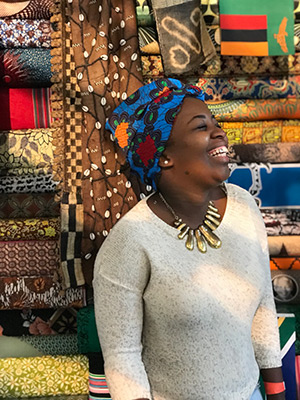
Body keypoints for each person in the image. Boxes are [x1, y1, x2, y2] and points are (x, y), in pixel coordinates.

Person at [93, 78, 285, 400]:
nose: (219, 132)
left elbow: (263, 305)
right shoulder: (130, 241)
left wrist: (277, 393)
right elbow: (123, 357)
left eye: (215, 122)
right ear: (164, 157)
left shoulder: (243, 208)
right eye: (200, 127)